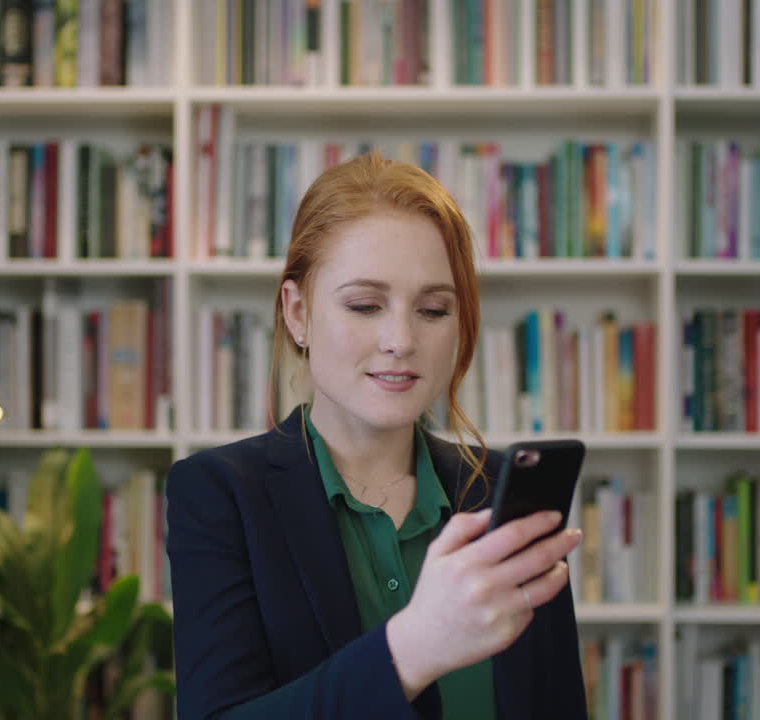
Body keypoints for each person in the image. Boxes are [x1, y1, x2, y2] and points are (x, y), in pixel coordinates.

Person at [166, 151, 587, 719]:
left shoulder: (502, 494)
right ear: (297, 313)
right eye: (365, 305)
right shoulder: (218, 495)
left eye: (433, 310)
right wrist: (413, 648)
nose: (401, 339)